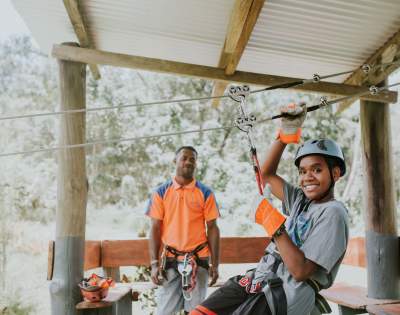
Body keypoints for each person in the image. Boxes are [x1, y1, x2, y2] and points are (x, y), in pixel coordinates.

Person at [190, 104, 349, 315]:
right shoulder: (300, 201)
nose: (307, 177)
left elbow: (301, 271)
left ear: (335, 173)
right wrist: (285, 135)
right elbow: (265, 174)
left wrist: (273, 224)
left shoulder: (333, 213)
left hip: (286, 294)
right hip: (260, 279)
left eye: (317, 170)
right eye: (302, 171)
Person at [146, 146, 220, 315]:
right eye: (184, 158)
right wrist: (154, 264)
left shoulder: (205, 193)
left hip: (198, 260)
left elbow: (213, 228)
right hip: (169, 261)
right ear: (175, 161)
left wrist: (215, 265)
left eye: (192, 159)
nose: (188, 162)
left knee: (196, 312)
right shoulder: (161, 192)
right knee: (164, 312)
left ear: (196, 164)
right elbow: (155, 228)